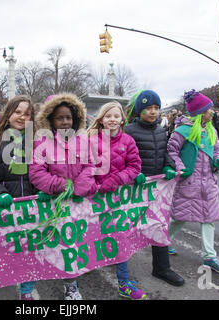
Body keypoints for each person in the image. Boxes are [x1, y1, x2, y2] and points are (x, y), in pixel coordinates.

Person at [29, 92, 97, 300]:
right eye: (60, 117)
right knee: (61, 244)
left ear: (75, 118)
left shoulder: (83, 141)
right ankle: (70, 285)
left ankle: (71, 282)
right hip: (55, 203)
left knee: (76, 243)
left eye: (68, 117)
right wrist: (62, 186)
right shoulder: (42, 143)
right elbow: (36, 172)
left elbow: (91, 166)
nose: (65, 121)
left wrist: (78, 188)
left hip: (79, 201)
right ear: (50, 120)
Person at [0, 95, 38, 300]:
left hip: (33, 206)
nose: (22, 117)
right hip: (6, 207)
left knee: (30, 249)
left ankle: (27, 291)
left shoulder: (38, 140)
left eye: (27, 114)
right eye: (17, 112)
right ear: (8, 113)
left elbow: (47, 169)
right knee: (10, 248)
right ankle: (6, 278)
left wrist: (45, 190)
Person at [124, 90, 185, 288]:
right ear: (139, 111)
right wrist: (134, 174)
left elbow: (165, 151)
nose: (153, 112)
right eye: (148, 108)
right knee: (127, 228)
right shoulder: (129, 131)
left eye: (156, 108)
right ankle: (116, 261)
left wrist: (168, 166)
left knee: (159, 225)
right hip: (135, 189)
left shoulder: (161, 130)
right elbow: (124, 158)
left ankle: (162, 268)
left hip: (157, 190)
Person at [87, 101, 146, 299]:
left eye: (116, 116)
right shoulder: (90, 140)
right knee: (92, 236)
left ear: (122, 119)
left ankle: (123, 283)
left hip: (118, 199)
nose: (112, 119)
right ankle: (87, 266)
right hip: (93, 199)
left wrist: (116, 179)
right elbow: (83, 166)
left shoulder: (128, 141)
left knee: (120, 238)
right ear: (101, 119)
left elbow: (135, 166)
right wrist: (91, 184)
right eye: (108, 116)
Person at [167, 89, 219, 275]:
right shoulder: (182, 131)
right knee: (179, 218)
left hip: (208, 184)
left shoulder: (212, 130)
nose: (211, 112)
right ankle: (164, 241)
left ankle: (209, 256)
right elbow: (171, 152)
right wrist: (180, 168)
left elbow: (218, 151)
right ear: (199, 112)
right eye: (208, 109)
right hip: (188, 183)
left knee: (208, 220)